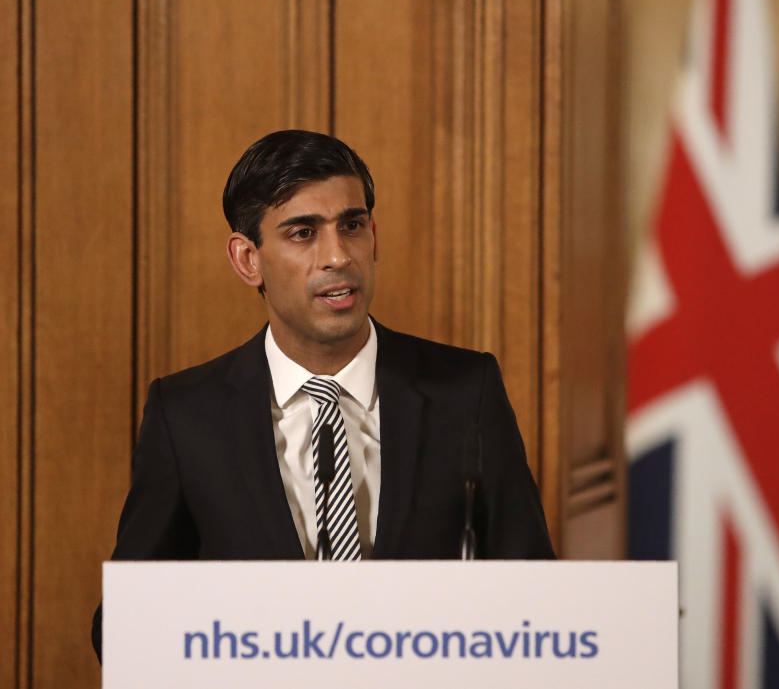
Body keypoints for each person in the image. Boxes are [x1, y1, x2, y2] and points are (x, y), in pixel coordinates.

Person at [91, 130, 554, 660]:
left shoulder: (467, 389)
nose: (338, 256)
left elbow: (534, 594)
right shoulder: (187, 416)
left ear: (373, 237)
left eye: (351, 226)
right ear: (248, 260)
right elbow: (125, 626)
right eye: (303, 233)